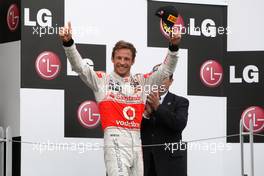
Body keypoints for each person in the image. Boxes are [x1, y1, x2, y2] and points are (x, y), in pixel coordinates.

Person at [59, 21, 181, 176]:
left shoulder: (142, 81)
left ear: (133, 61)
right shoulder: (102, 80)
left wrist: (174, 47)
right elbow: (80, 67)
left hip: (136, 141)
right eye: (119, 58)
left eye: (126, 59)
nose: (122, 62)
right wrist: (68, 43)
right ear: (113, 59)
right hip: (114, 140)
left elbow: (166, 70)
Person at [141, 65, 189, 176]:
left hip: (171, 165)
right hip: (146, 165)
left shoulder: (180, 102)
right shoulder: (141, 101)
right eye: (155, 78)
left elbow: (179, 124)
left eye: (163, 78)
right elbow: (134, 130)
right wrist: (146, 114)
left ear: (171, 81)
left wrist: (158, 107)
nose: (158, 82)